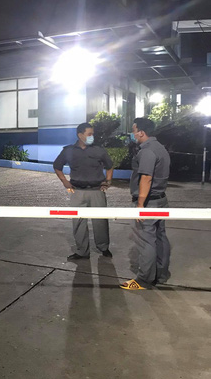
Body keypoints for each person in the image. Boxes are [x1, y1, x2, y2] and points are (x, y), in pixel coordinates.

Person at [120, 118, 171, 290]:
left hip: (148, 202)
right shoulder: (161, 148)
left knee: (146, 240)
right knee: (160, 237)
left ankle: (144, 279)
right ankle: (161, 274)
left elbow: (146, 178)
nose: (132, 134)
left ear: (141, 132)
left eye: (134, 130)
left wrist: (140, 204)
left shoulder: (147, 151)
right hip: (160, 199)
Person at [53, 122, 114, 261]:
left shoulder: (98, 150)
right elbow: (57, 166)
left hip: (96, 191)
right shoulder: (69, 150)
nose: (92, 137)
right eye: (89, 134)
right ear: (80, 135)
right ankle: (82, 251)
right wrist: (64, 181)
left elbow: (109, 166)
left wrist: (108, 181)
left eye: (93, 134)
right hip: (77, 191)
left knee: (100, 222)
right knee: (78, 222)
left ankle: (103, 247)